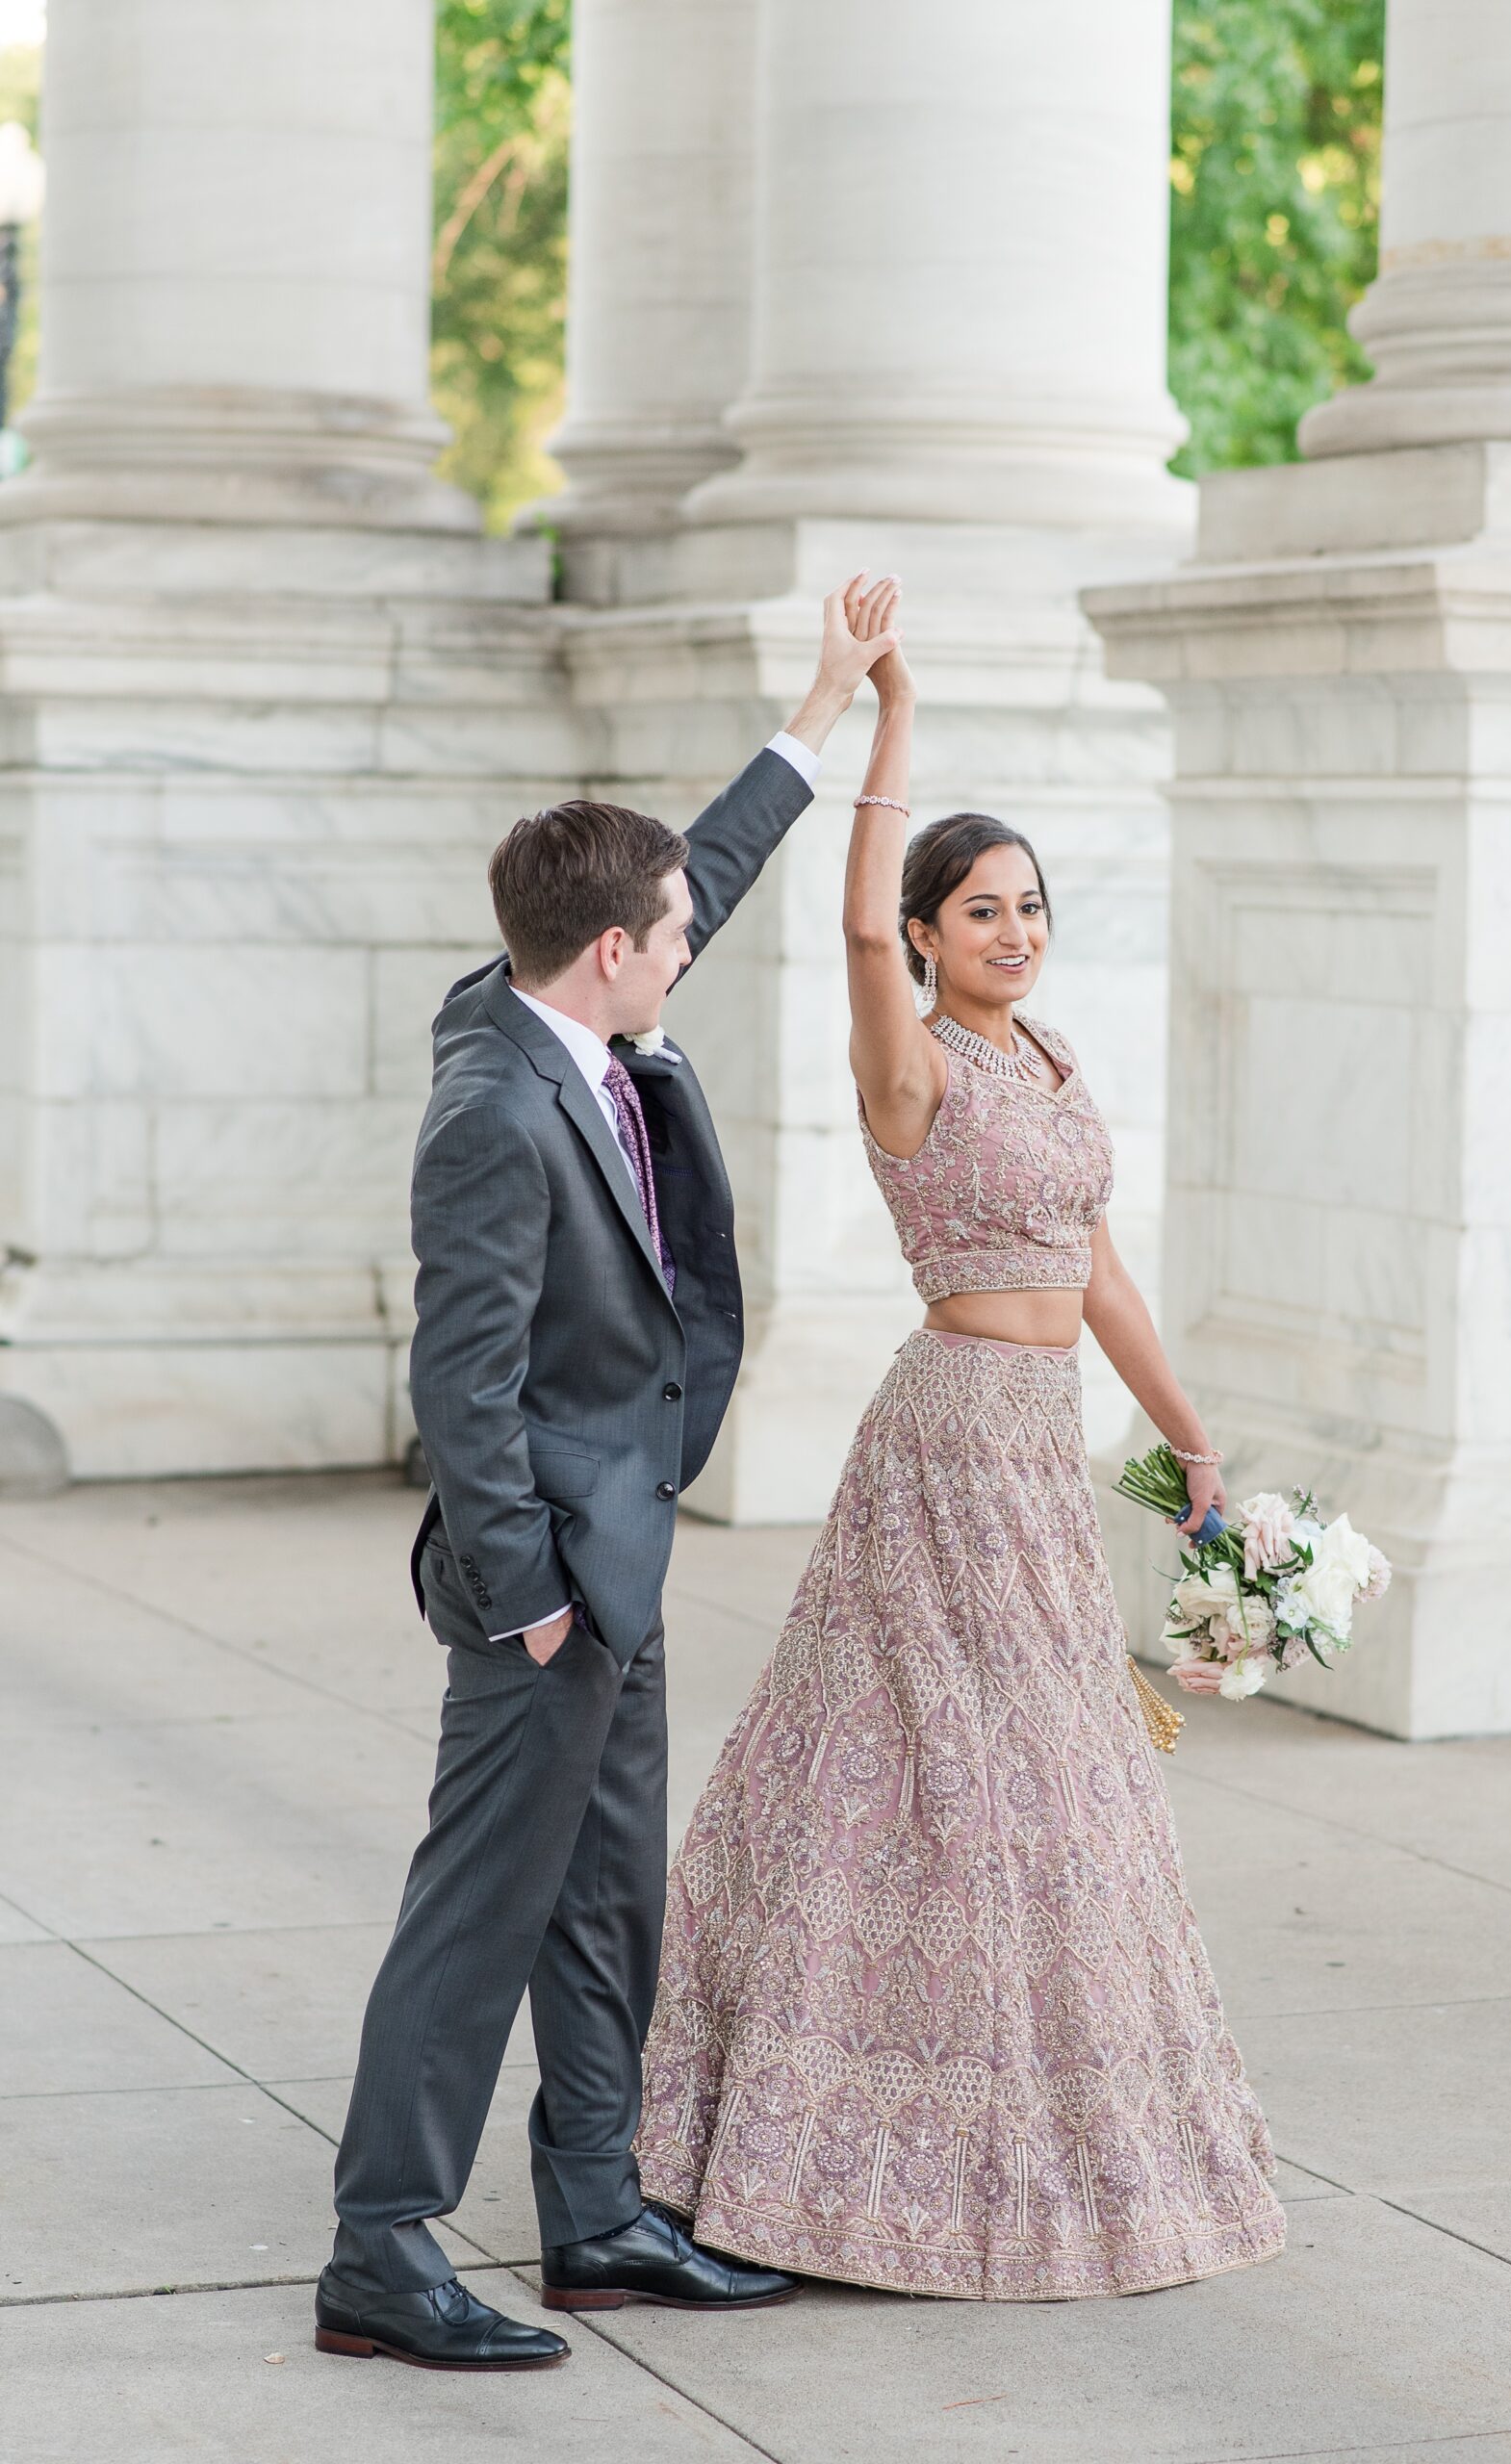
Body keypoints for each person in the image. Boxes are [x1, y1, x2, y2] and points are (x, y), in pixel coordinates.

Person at [634, 579, 1287, 2300]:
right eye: (977, 911)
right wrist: (880, 715)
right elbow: (849, 935)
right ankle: (820, 2147)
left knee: (1059, 1787)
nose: (1010, 931)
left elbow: (1100, 1269)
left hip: (1041, 1451)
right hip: (939, 1448)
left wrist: (1192, 1441)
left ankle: (1067, 2141)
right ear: (925, 933)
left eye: (1028, 908)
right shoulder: (908, 1066)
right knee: (913, 1778)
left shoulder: (1055, 1063)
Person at [316, 579, 905, 2372]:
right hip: (548, 1586)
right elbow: (463, 1385)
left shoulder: (564, 1003)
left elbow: (693, 872)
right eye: (668, 937)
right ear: (606, 956)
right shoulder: (497, 1110)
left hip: (619, 1553)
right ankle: (379, 2249)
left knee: (605, 1900)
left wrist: (817, 711)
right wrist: (538, 1594)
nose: (685, 948)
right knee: (478, 1908)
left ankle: (597, 2216)